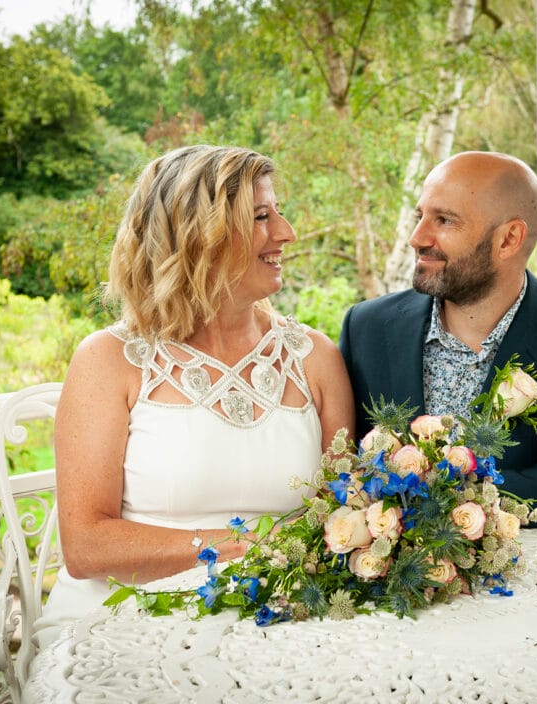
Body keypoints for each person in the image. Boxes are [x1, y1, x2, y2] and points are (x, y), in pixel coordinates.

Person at [33, 145, 354, 648]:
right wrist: (245, 545)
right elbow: (86, 545)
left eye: (279, 212)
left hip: (284, 617)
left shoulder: (314, 356)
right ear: (198, 237)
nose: (286, 232)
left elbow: (346, 510)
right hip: (126, 614)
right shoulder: (108, 360)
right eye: (261, 217)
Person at [339, 151, 537, 528]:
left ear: (509, 239)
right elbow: (340, 469)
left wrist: (438, 491)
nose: (417, 237)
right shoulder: (368, 327)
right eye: (420, 216)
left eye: (444, 220)